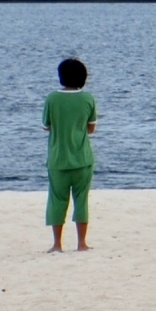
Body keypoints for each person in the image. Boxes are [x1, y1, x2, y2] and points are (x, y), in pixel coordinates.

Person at [42, 57, 100, 251]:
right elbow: (91, 128)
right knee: (81, 200)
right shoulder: (88, 98)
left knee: (57, 200)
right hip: (82, 158)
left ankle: (57, 244)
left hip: (58, 159)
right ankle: (82, 243)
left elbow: (46, 126)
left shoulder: (52, 98)